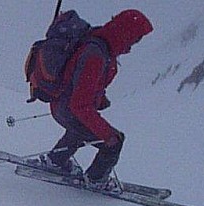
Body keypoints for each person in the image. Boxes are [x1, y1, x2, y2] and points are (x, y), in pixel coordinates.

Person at [46, 10, 154, 190]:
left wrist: (100, 99)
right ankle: (96, 180)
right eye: (135, 39)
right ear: (125, 34)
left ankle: (55, 161)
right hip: (68, 109)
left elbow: (82, 82)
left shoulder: (101, 45)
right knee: (114, 141)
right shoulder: (96, 54)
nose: (134, 45)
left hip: (61, 105)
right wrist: (107, 135)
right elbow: (80, 105)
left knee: (80, 130)